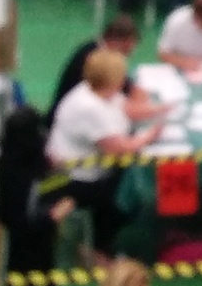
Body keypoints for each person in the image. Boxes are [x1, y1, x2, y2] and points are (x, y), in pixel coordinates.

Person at [49, 48, 161, 246]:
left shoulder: (98, 91)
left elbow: (126, 107)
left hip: (88, 168)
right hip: (76, 178)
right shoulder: (90, 108)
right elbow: (121, 149)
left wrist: (161, 109)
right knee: (127, 194)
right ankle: (99, 247)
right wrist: (149, 136)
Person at [0, 96, 61, 286]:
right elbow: (25, 218)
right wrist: (55, 216)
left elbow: (54, 181)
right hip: (27, 243)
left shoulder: (11, 160)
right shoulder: (18, 174)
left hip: (33, 239)